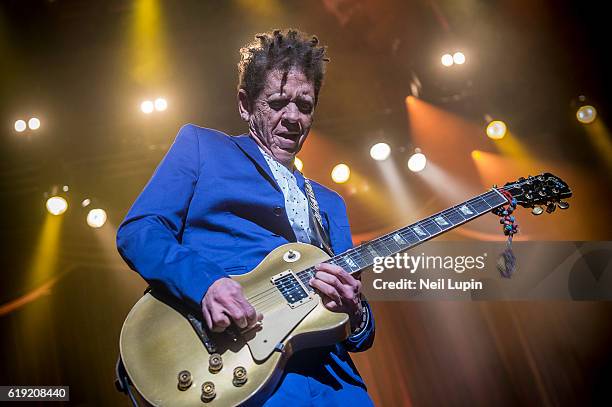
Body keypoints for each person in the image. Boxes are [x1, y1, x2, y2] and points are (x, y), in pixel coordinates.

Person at [116, 28, 375, 405]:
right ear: (245, 104)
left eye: (305, 106)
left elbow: (357, 331)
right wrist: (206, 284)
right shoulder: (203, 147)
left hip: (334, 386)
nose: (292, 118)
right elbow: (140, 231)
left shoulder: (330, 203)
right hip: (237, 370)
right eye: (277, 102)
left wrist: (356, 309)